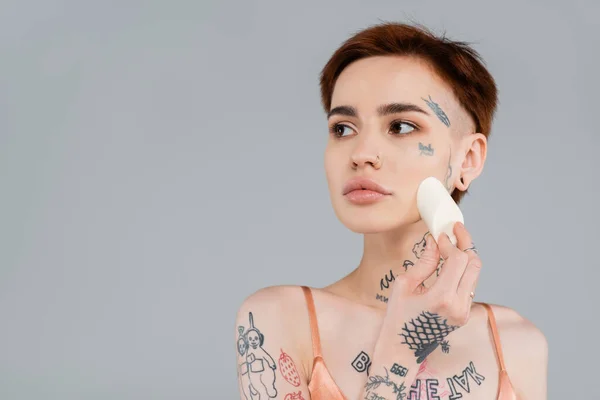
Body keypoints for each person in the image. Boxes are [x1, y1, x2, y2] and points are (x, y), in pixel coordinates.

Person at [234, 21, 548, 400]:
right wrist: (402, 351)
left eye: (400, 126)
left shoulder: (516, 345)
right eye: (343, 129)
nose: (362, 154)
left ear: (468, 158)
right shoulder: (280, 320)